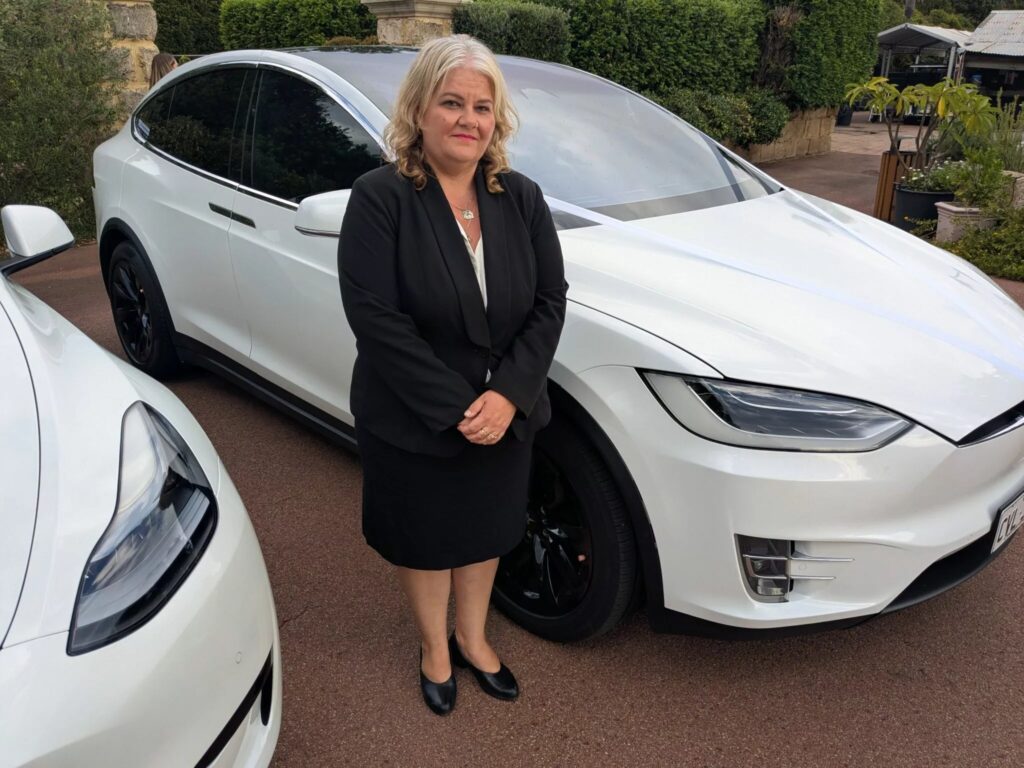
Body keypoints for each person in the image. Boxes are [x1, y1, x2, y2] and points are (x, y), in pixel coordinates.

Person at [338, 35, 567, 716]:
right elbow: (375, 319)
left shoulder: (520, 199)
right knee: (427, 539)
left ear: (497, 121)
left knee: (487, 531)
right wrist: (462, 409)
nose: (469, 119)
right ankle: (434, 647)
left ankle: (473, 637)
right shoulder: (381, 198)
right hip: (415, 416)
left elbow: (550, 303)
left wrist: (507, 398)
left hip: (507, 415)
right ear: (418, 109)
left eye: (482, 107)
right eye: (452, 103)